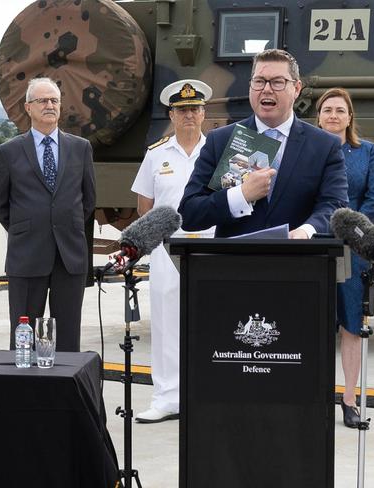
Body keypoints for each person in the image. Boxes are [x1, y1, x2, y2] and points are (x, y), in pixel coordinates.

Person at [178, 49, 348, 238]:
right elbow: (189, 213)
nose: (266, 89)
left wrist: (307, 231)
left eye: (277, 82)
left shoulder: (324, 146)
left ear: (297, 88)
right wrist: (241, 195)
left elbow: (335, 206)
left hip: (298, 262)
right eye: (259, 81)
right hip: (232, 263)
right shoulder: (220, 140)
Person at [0, 77, 95, 352]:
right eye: (43, 101)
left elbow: (88, 200)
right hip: (26, 256)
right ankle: (23, 391)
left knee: (68, 339)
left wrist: (62, 226)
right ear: (28, 107)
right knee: (23, 338)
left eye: (54, 100)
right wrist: (26, 229)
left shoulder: (80, 148)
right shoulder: (9, 151)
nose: (50, 105)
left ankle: (65, 394)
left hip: (69, 257)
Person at [131, 80, 215, 423]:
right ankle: (166, 398)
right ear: (172, 115)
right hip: (168, 247)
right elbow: (143, 207)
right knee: (166, 323)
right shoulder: (157, 154)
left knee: (209, 321)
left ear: (204, 113)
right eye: (182, 110)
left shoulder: (218, 152)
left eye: (195, 109)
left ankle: (206, 394)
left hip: (210, 244)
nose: (189, 115)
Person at [316, 88, 374, 428]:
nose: (334, 116)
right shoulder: (307, 151)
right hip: (314, 245)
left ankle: (349, 399)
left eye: (340, 110)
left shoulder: (366, 151)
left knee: (351, 326)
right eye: (327, 110)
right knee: (313, 324)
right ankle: (315, 394)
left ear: (349, 116)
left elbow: (372, 198)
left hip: (353, 248)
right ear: (319, 116)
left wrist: (353, 232)